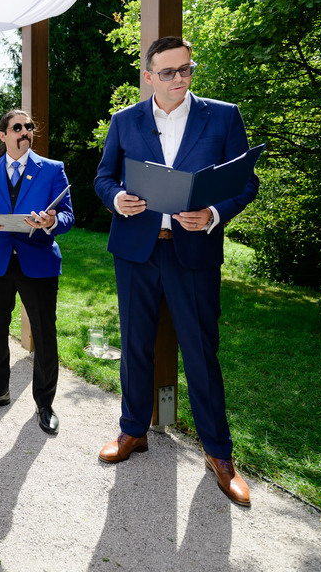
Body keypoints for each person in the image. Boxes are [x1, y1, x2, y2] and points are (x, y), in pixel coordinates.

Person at [93, 36, 259, 507]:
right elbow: (104, 176)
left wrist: (212, 213)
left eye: (185, 69)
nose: (179, 79)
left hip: (194, 253)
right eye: (167, 72)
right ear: (148, 76)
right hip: (137, 252)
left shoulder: (223, 115)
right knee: (134, 346)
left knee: (202, 354)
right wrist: (116, 199)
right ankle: (132, 432)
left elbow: (247, 181)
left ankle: (220, 455)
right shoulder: (124, 121)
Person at [0, 110, 74, 435]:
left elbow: (68, 215)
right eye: (18, 127)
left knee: (44, 333)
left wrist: (51, 221)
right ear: (3, 135)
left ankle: (45, 404)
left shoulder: (53, 169)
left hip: (38, 263)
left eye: (29, 127)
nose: (25, 131)